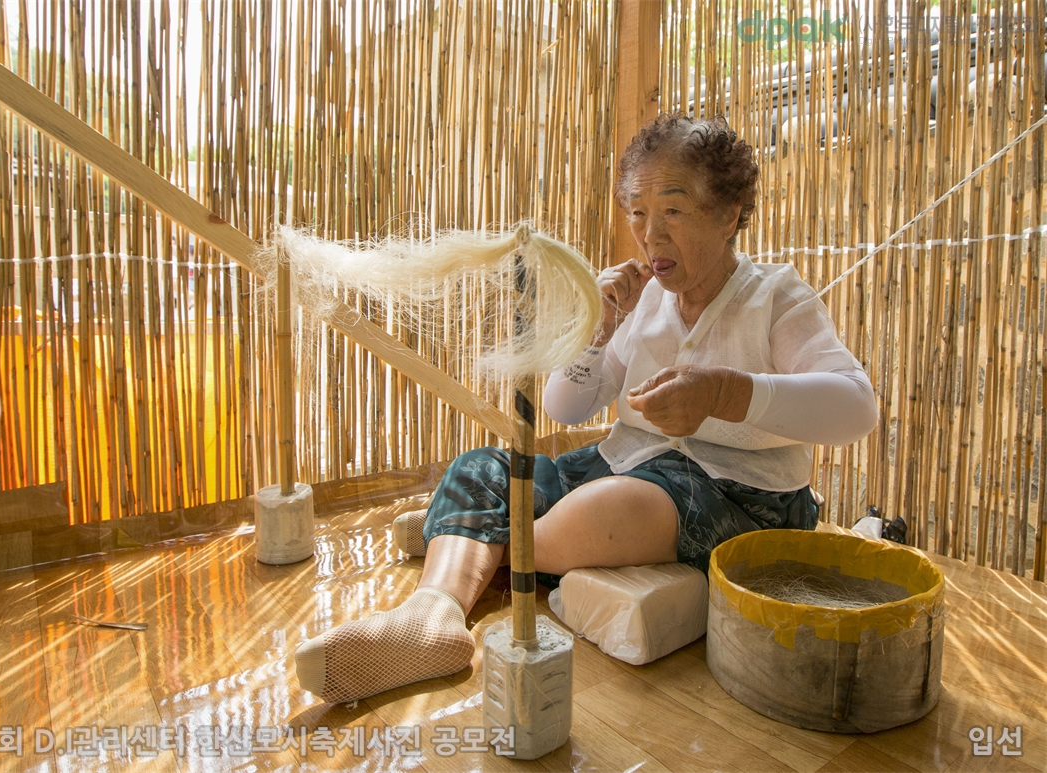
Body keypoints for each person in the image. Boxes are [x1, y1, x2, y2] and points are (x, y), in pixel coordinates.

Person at [293, 113, 878, 704]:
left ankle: (468, 536)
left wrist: (723, 394)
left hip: (741, 496)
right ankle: (431, 616)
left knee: (607, 507)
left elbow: (857, 407)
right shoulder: (646, 300)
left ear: (729, 214)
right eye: (637, 212)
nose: (650, 235)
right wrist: (598, 329)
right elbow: (564, 408)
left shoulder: (775, 296)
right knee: (482, 469)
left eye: (673, 210)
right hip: (627, 464)